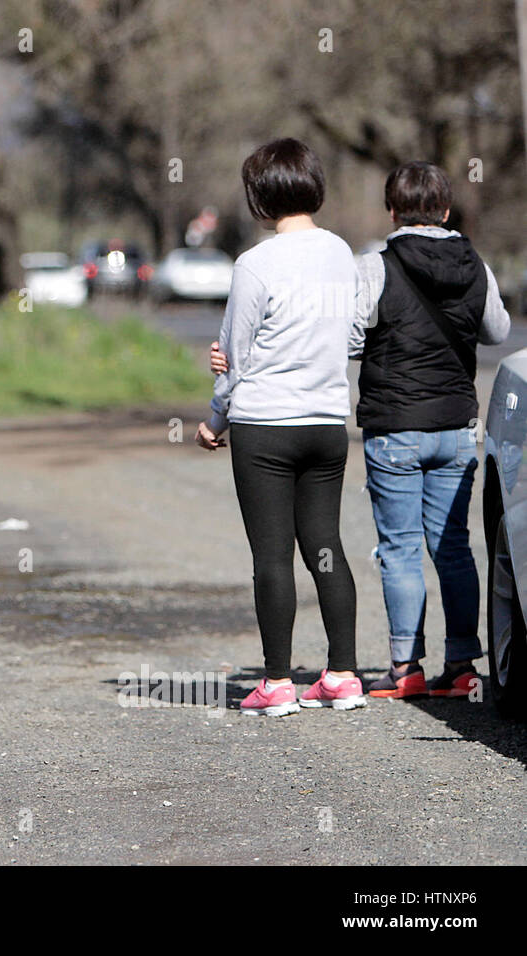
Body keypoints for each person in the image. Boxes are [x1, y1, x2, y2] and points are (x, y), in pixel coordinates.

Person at [196, 137, 366, 716]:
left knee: (272, 555)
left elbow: (237, 356)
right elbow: (351, 336)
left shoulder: (255, 263)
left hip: (266, 426)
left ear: (259, 197)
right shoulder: (343, 254)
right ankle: (342, 674)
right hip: (325, 423)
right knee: (325, 546)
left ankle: (276, 683)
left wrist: (214, 419)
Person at [348, 162, 510, 698]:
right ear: (445, 210)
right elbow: (498, 330)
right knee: (455, 547)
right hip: (458, 427)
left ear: (392, 211)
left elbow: (350, 338)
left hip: (394, 426)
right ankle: (463, 665)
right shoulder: (474, 262)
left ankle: (406, 668)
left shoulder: (376, 265)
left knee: (399, 548)